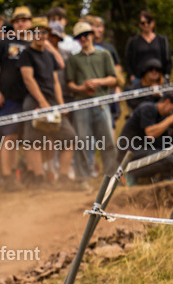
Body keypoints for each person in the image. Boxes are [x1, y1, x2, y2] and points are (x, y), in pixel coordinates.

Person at [19, 18, 79, 187]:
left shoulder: (49, 55)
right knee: (33, 140)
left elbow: (55, 82)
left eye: (43, 32)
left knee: (70, 137)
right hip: (34, 101)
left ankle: (64, 178)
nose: (40, 35)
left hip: (52, 101)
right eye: (36, 32)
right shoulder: (26, 54)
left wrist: (60, 104)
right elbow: (28, 80)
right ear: (31, 34)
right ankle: (39, 179)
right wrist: (42, 102)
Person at [67, 21, 119, 179]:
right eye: (79, 36)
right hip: (82, 104)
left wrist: (98, 82)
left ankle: (111, 176)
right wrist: (81, 88)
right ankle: (83, 179)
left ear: (91, 35)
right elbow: (69, 83)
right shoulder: (73, 59)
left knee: (107, 140)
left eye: (85, 35)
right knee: (82, 141)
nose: (83, 38)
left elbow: (114, 79)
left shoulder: (104, 54)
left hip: (101, 102)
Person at [0, 6, 34, 191]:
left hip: (31, 98)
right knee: (9, 137)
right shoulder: (5, 42)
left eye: (24, 19)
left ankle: (33, 175)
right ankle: (7, 177)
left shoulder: (36, 43)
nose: (21, 23)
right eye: (17, 20)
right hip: (8, 98)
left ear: (31, 22)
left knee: (32, 138)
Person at [119, 91, 173, 181]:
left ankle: (162, 183)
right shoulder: (148, 108)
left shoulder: (164, 117)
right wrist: (171, 119)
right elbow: (150, 134)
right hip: (129, 155)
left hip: (145, 152)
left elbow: (165, 144)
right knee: (169, 160)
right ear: (167, 102)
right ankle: (129, 175)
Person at [126, 11, 172, 83]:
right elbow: (128, 61)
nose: (146, 25)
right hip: (139, 79)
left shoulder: (162, 40)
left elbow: (168, 59)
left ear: (153, 22)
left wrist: (167, 75)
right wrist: (131, 76)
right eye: (143, 23)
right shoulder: (133, 41)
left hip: (160, 79)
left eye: (148, 22)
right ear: (139, 25)